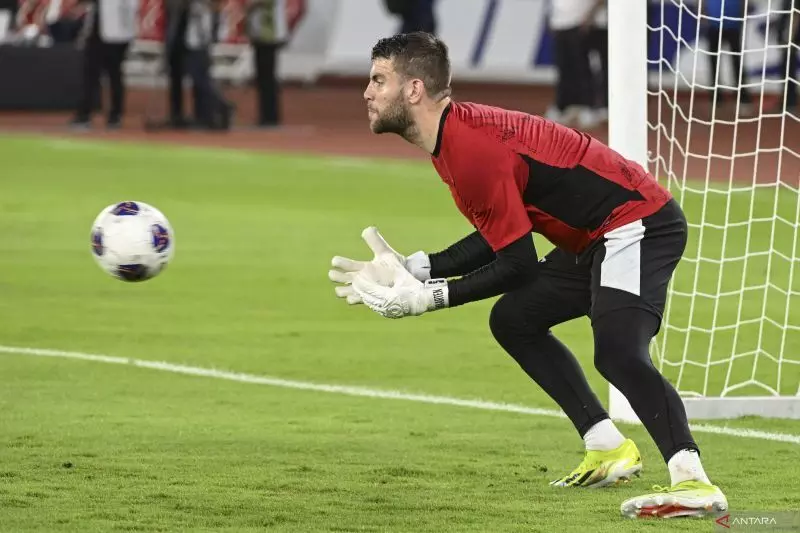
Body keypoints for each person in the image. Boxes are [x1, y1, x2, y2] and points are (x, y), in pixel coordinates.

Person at [328, 32, 728, 520]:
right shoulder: (454, 138)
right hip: (593, 237)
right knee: (515, 319)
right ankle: (607, 447)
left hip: (636, 224)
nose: (367, 92)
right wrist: (416, 267)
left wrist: (430, 297)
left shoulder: (468, 147)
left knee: (618, 352)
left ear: (414, 90)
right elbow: (500, 233)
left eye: (378, 80)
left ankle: (693, 481)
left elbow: (516, 264)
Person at [70, 0, 139, 129]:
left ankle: (110, 115)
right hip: (106, 29)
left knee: (110, 74)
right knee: (96, 74)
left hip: (116, 31)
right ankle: (89, 114)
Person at [702, 0, 754, 113]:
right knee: (714, 61)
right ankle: (716, 97)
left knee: (737, 61)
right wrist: (702, 13)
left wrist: (742, 14)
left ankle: (742, 96)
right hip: (714, 23)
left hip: (733, 22)